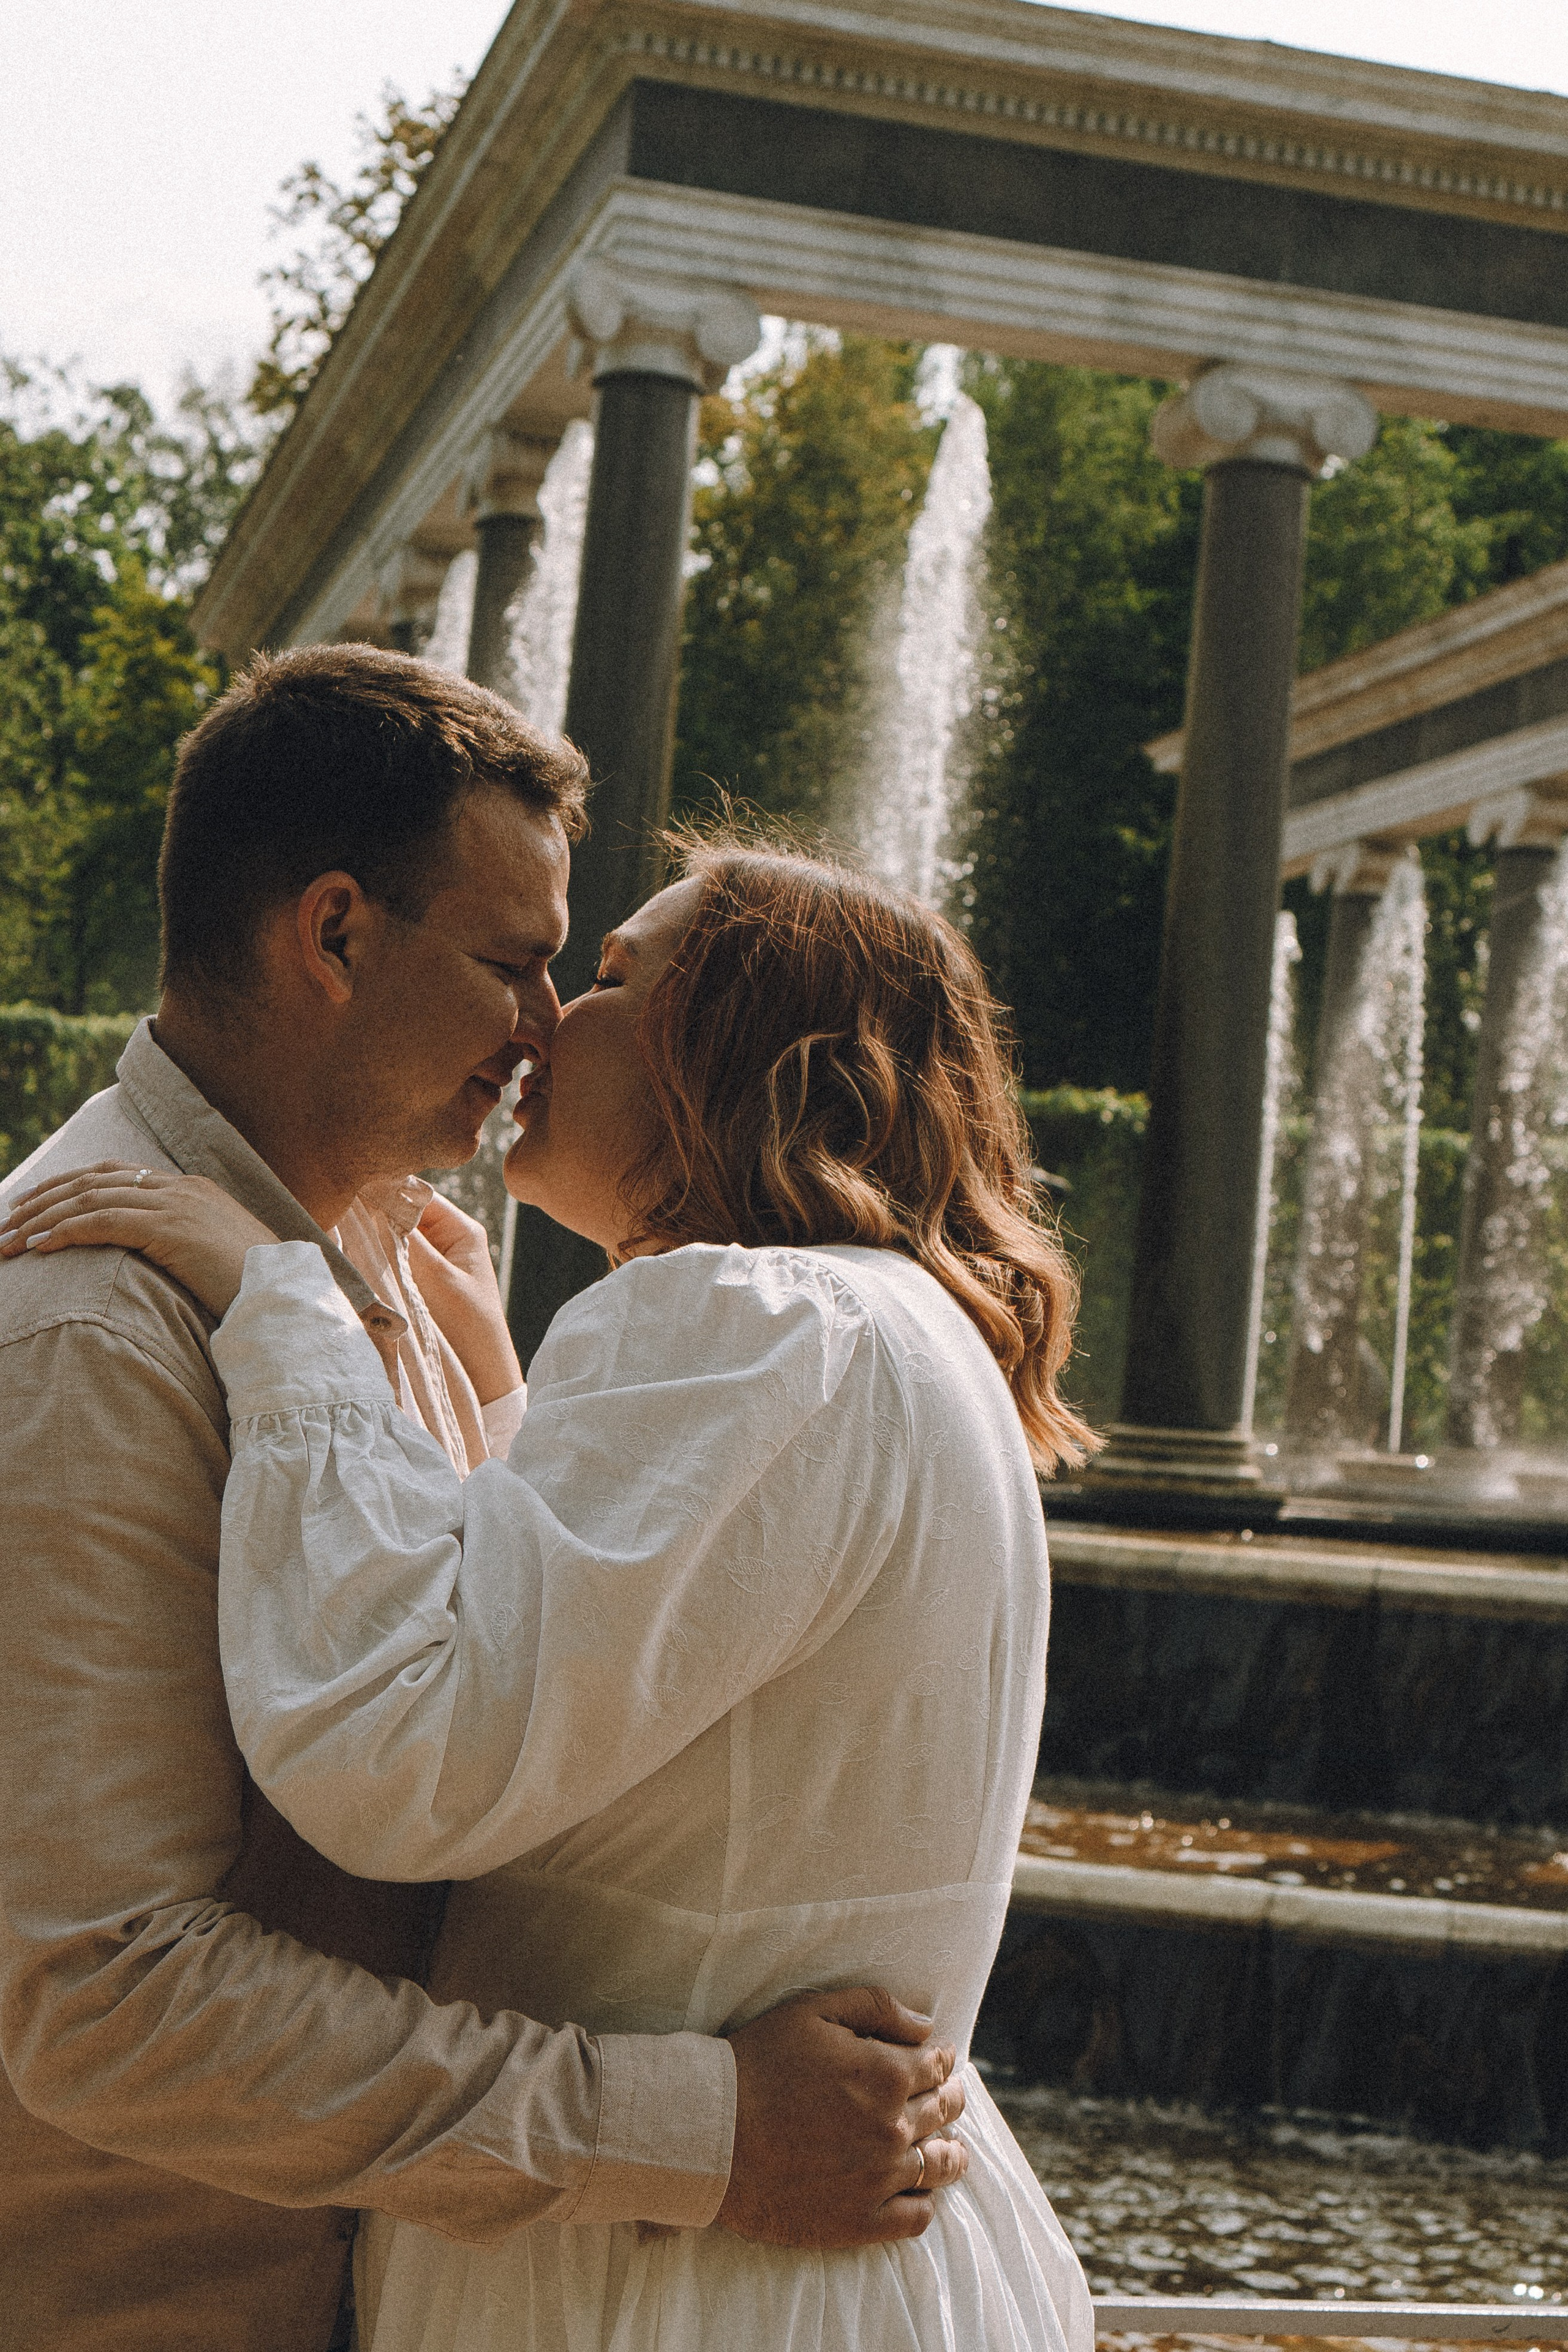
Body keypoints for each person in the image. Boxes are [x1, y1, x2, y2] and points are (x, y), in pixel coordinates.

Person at [7, 823, 1101, 2351]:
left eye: (597, 977)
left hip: (657, 2281)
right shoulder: (894, 1328)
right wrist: (505, 1419)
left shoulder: (750, 1318)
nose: (540, 1024)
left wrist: (284, 1311)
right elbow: (663, 1693)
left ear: (733, 1047)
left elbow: (395, 1755)